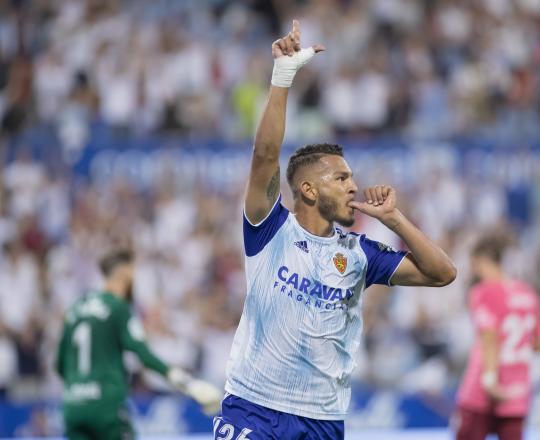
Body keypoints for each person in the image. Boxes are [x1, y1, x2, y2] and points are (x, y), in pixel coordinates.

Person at [213, 20, 457, 439]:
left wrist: (395, 221)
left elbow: (443, 274)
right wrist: (283, 76)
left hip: (323, 420)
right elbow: (265, 155)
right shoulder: (270, 231)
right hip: (254, 408)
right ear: (308, 189)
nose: (354, 186)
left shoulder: (361, 254)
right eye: (341, 178)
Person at [56, 248, 222, 440]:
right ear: (124, 276)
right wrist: (188, 384)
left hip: (73, 407)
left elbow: (60, 364)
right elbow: (143, 354)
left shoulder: (76, 309)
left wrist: (80, 388)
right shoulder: (117, 308)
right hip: (105, 406)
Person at [455, 236, 540, 440]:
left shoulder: (483, 292)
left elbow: (489, 335)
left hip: (482, 389)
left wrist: (490, 379)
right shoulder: (528, 293)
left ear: (480, 261)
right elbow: (539, 342)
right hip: (516, 391)